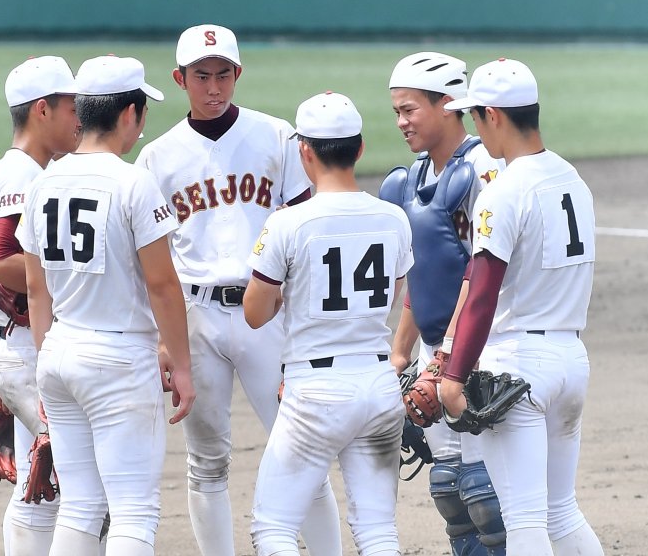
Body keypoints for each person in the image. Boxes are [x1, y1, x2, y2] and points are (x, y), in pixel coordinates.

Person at [134, 24, 342, 556]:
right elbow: (149, 261)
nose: (214, 86)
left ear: (238, 74)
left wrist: (305, 318)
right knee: (206, 458)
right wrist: (164, 337)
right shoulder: (157, 158)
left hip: (267, 311)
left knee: (302, 447)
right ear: (179, 79)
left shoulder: (277, 137)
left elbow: (305, 227)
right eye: (201, 76)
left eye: (223, 74)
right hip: (196, 316)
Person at [16, 54, 195, 556]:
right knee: (134, 510)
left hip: (58, 352)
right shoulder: (133, 182)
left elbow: (36, 290)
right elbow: (163, 286)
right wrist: (182, 367)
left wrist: (44, 363)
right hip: (117, 360)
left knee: (80, 505)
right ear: (128, 115)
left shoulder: (43, 182)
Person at [439, 58, 604, 556]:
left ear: (494, 114)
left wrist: (452, 375)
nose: (472, 128)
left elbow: (483, 292)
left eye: (473, 117)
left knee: (525, 520)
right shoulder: (572, 179)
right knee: (562, 511)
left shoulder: (504, 191)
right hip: (571, 359)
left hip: (519, 367)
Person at [244, 91, 413, 556]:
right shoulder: (393, 218)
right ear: (359, 148)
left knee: (273, 528)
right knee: (378, 532)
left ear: (304, 151)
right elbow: (392, 296)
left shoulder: (288, 223)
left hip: (315, 391)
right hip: (379, 383)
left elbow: (254, 314)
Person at [382, 52, 506, 555]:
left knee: (484, 495)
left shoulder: (482, 169)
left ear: (449, 103)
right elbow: (426, 274)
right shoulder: (411, 179)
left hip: (479, 346)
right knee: (449, 490)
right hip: (437, 347)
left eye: (409, 109)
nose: (400, 122)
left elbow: (479, 276)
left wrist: (444, 359)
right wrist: (399, 353)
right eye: (396, 110)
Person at [0, 55, 80, 556]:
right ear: (43, 110)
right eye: (71, 106)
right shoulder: (22, 174)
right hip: (28, 349)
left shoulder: (31, 169)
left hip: (24, 348)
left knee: (43, 489)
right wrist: (67, 277)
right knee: (63, 490)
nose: (79, 117)